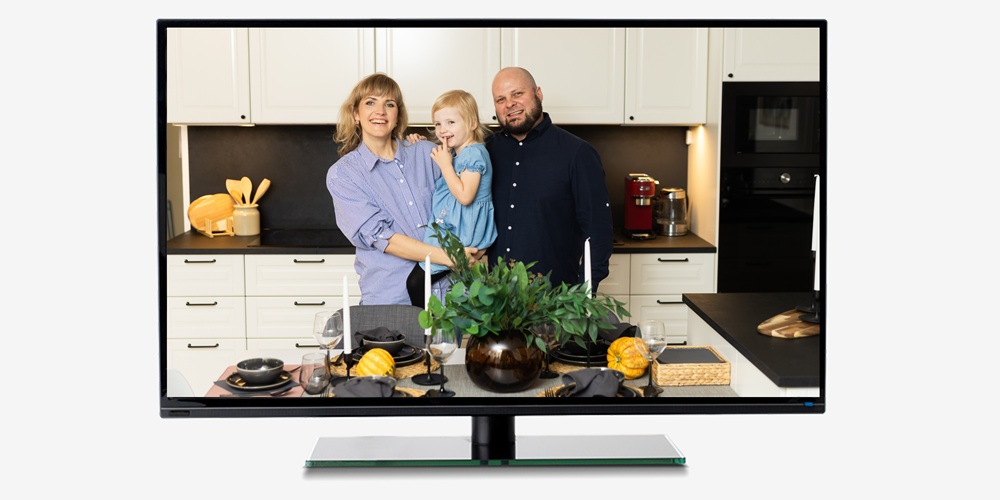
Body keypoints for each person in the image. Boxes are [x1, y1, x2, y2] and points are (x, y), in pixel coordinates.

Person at [326, 73, 482, 305]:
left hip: (451, 297)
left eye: (389, 104)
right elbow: (384, 239)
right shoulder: (344, 174)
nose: (380, 111)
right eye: (370, 102)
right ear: (355, 114)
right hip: (392, 300)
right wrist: (453, 257)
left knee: (447, 344)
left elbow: (468, 196)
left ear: (397, 114)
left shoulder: (429, 153)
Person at [486, 66, 614, 292]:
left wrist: (580, 296)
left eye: (518, 94)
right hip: (493, 301)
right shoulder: (484, 151)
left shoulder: (577, 153)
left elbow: (598, 233)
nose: (510, 104)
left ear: (538, 93)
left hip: (553, 302)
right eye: (501, 99)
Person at [404, 90, 497, 308]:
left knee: (416, 283)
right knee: (436, 286)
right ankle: (434, 329)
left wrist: (445, 165)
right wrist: (420, 143)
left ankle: (429, 332)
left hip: (464, 233)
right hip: (456, 229)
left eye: (451, 122)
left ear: (472, 123)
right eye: (438, 124)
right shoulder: (458, 153)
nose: (443, 129)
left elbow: (465, 196)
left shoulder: (474, 154)